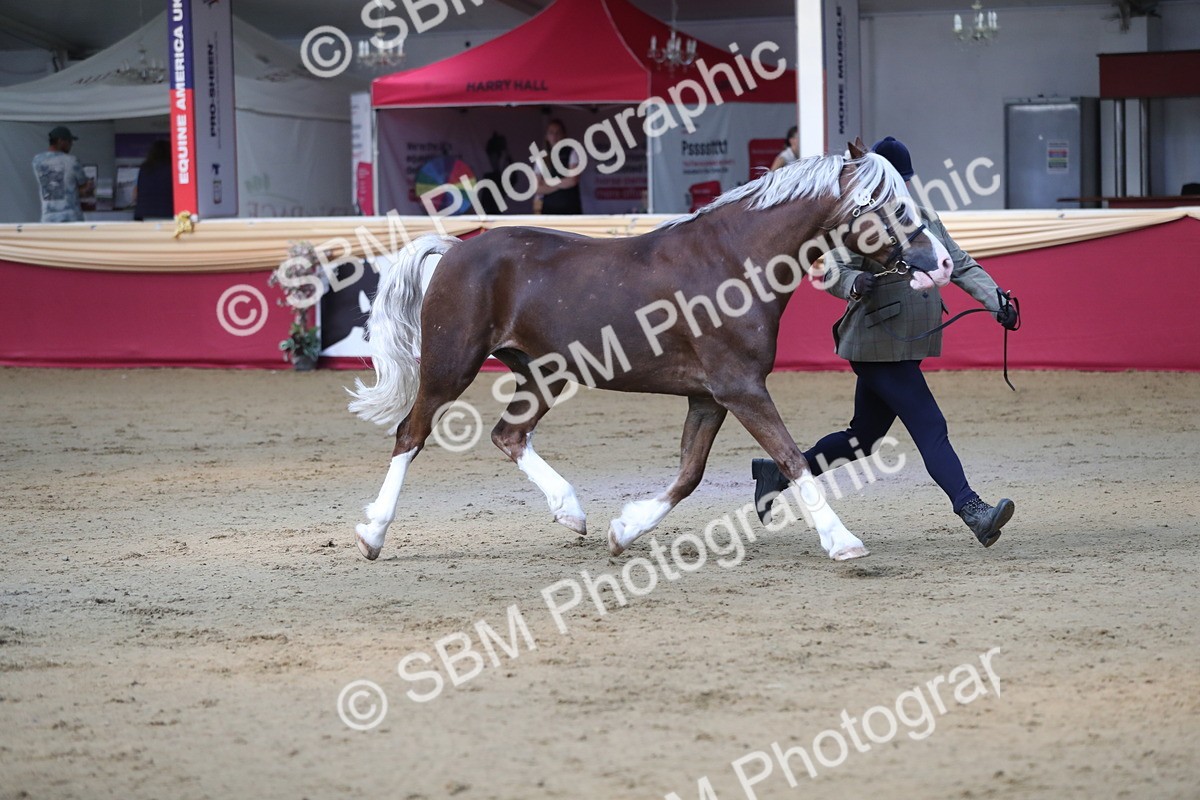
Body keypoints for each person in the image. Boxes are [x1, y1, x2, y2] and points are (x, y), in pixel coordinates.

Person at [751, 136, 1021, 548]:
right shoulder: (863, 224)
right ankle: (973, 510)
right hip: (877, 343)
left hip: (901, 344)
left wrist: (996, 299)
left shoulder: (924, 218)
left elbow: (960, 263)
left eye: (904, 179)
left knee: (863, 437)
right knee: (930, 425)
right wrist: (852, 283)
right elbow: (831, 270)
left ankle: (779, 472)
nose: (902, 187)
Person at [32, 125, 93, 223]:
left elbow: (55, 187)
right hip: (71, 218)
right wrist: (89, 186)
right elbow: (84, 187)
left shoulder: (37, 161)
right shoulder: (72, 161)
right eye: (69, 141)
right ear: (61, 141)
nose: (71, 145)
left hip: (48, 218)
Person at [533, 119, 583, 214]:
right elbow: (537, 188)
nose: (554, 136)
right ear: (547, 136)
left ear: (564, 135)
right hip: (549, 210)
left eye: (558, 133)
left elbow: (572, 181)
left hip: (570, 209)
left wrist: (549, 183)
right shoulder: (541, 157)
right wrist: (562, 183)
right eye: (551, 133)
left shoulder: (571, 153)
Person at [133, 140, 174, 221]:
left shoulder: (144, 168)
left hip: (144, 215)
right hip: (169, 213)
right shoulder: (174, 169)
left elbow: (135, 195)